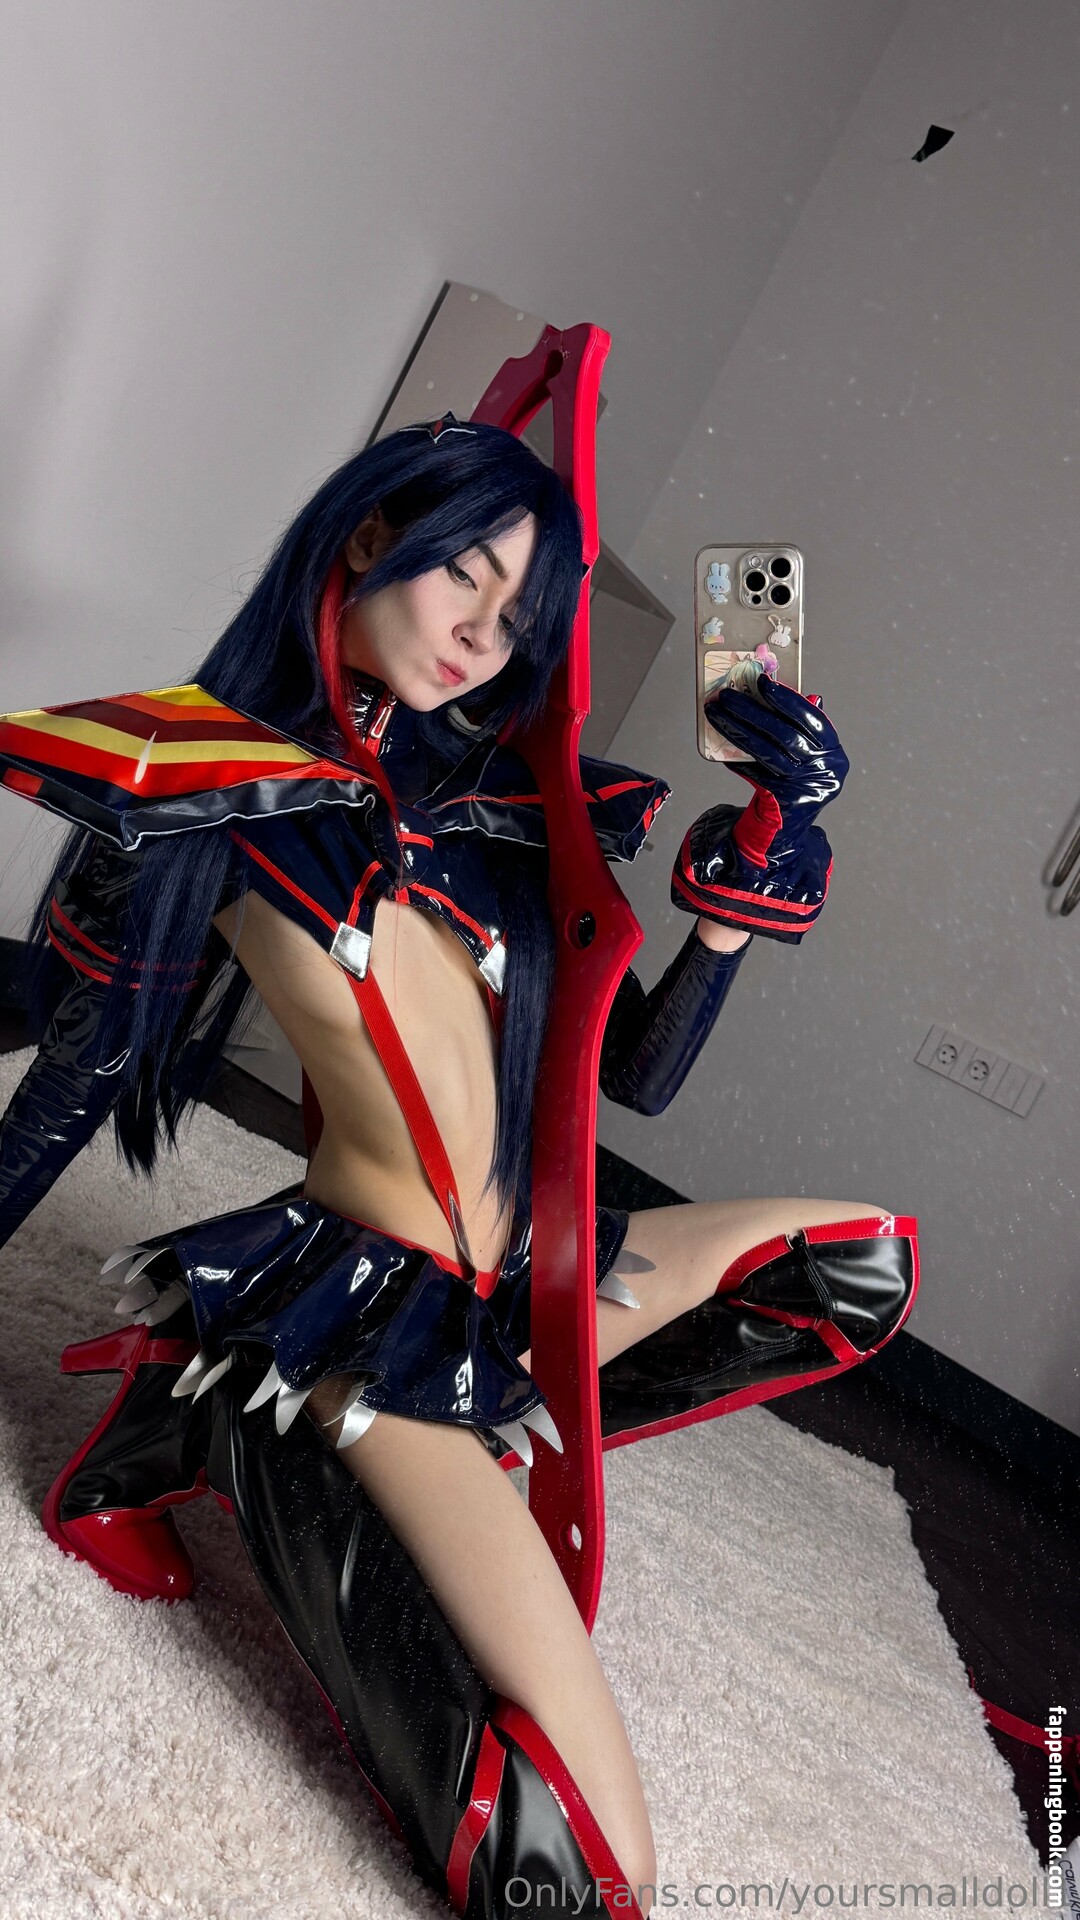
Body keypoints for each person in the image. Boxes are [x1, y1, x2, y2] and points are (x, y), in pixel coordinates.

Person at [0, 415, 919, 1920]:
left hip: (532, 1281)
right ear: (369, 542)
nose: (488, 638)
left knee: (859, 1261)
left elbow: (634, 1078)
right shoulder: (207, 778)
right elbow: (81, 1061)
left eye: (520, 615)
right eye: (465, 579)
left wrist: (752, 871)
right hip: (377, 1316)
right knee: (576, 1872)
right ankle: (258, 1422)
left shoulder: (497, 804)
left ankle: (255, 1420)